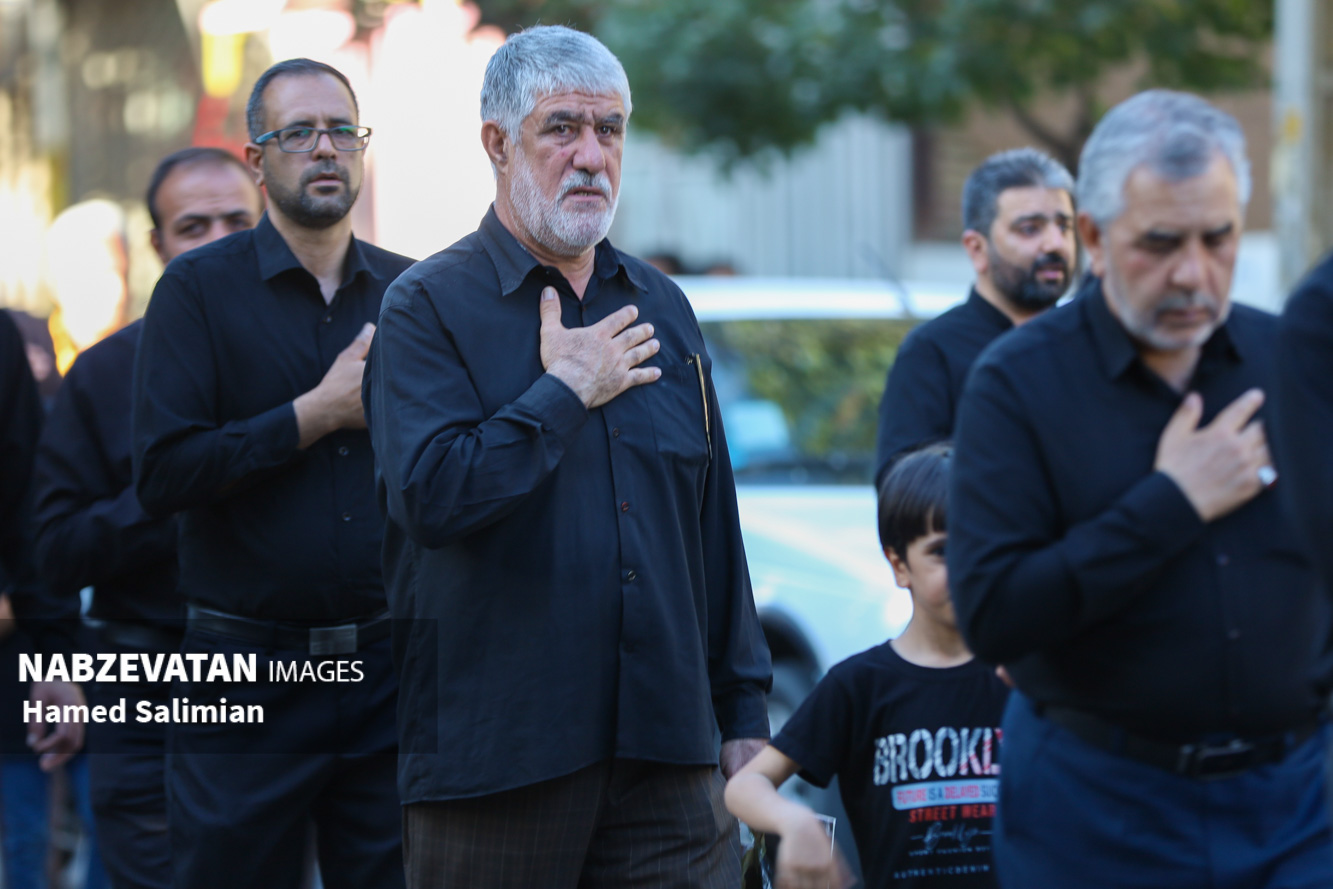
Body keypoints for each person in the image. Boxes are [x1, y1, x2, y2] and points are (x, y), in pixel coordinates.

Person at [364, 25, 772, 888]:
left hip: (668, 755)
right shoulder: (426, 306)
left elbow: (710, 526)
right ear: (497, 143)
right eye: (562, 128)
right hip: (500, 759)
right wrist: (563, 393)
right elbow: (431, 498)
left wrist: (743, 715)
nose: (591, 156)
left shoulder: (663, 305)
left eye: (609, 129)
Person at [948, 90, 1333, 888]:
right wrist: (1171, 501)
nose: (1192, 272)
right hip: (1097, 812)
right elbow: (992, 614)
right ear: (1092, 235)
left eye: (1217, 238)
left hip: (1296, 806)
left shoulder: (1288, 359)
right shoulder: (1017, 382)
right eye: (1159, 243)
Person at [132, 60, 413, 889]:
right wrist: (313, 414)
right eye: (299, 132)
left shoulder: (414, 291)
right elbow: (162, 474)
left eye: (341, 131)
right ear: (257, 158)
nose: (325, 149)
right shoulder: (195, 291)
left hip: (389, 666)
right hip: (243, 671)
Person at [32, 146, 262, 889]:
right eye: (194, 227)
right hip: (145, 692)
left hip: (292, 690)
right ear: (157, 244)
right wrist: (187, 486)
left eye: (237, 221)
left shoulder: (326, 364)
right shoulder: (102, 375)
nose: (218, 241)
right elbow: (55, 550)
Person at [726, 444, 1009, 889]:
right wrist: (795, 821)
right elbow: (745, 786)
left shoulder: (1023, 676)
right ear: (899, 564)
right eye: (941, 551)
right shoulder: (859, 686)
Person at [874, 149, 1075, 484]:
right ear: (977, 249)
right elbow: (904, 492)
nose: (1055, 244)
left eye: (1064, 226)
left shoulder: (1090, 343)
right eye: (1030, 229)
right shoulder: (931, 352)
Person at [44, 200, 132, 376]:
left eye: (124, 275)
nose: (120, 292)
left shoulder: (143, 358)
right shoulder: (29, 356)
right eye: (103, 274)